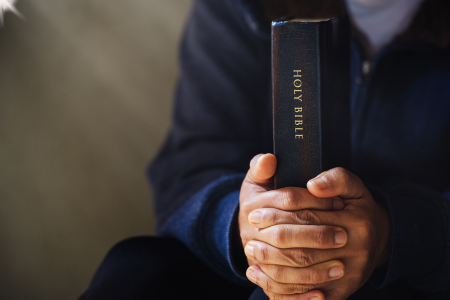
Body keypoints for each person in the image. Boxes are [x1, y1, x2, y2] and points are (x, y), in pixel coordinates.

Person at [80, 0, 450, 299]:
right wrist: (249, 225)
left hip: (415, 271)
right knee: (136, 269)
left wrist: (393, 234)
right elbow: (190, 167)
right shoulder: (241, 6)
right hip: (241, 264)